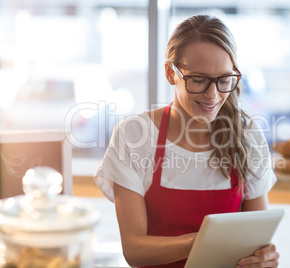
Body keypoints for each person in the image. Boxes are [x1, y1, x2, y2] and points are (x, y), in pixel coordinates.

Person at [94, 14, 279, 267]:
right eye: (199, 80)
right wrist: (204, 242)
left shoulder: (247, 136)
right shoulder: (134, 135)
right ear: (171, 73)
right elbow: (134, 249)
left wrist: (262, 259)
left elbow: (256, 241)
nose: (213, 95)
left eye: (224, 80)